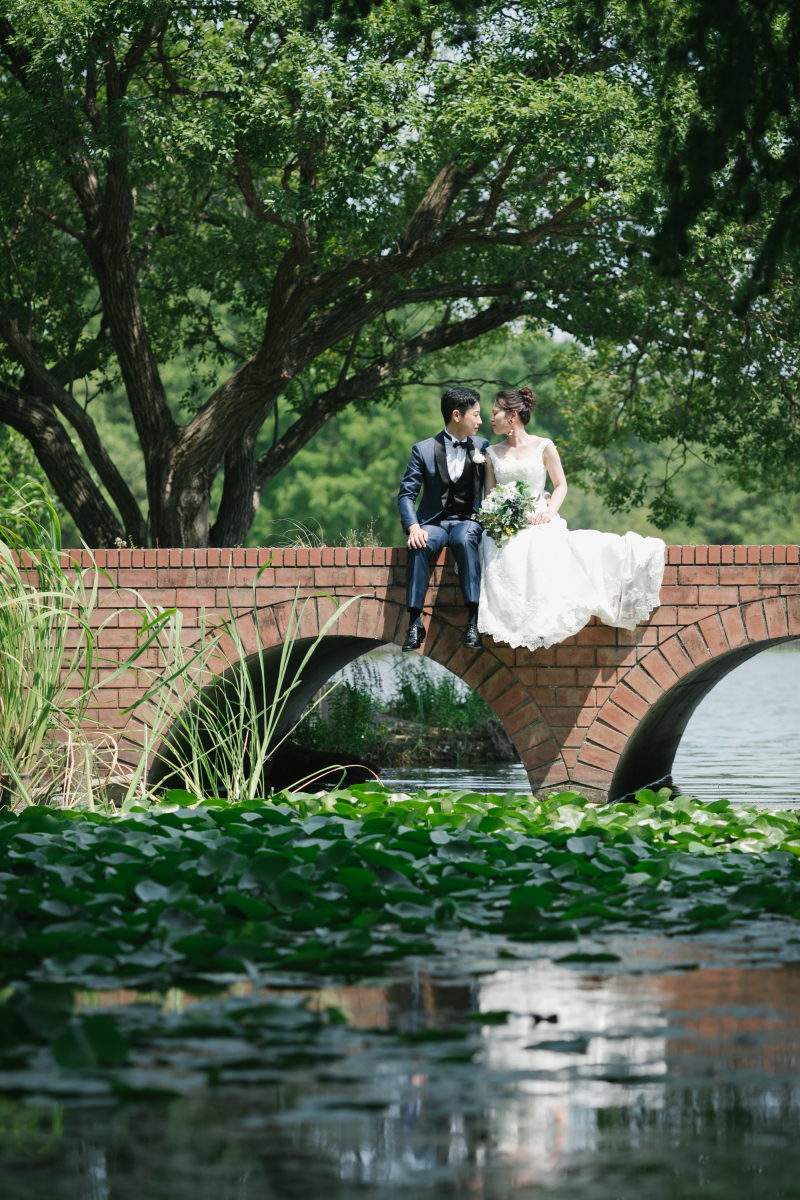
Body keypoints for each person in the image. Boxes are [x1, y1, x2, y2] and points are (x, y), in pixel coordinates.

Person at [479, 386, 665, 651]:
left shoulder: (544, 446)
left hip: (539, 518)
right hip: (507, 524)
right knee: (500, 545)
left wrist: (547, 512)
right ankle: (512, 622)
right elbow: (489, 497)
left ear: (511, 415)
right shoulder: (491, 454)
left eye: (495, 412)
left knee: (544, 543)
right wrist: (500, 518)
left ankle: (543, 621)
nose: (491, 418)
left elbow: (560, 485)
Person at [397, 386, 491, 651]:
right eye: (476, 414)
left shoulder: (482, 447)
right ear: (457, 415)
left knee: (464, 540)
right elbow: (406, 495)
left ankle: (473, 621)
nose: (480, 421)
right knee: (420, 543)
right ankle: (415, 623)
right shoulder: (423, 450)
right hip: (433, 523)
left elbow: (503, 477)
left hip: (468, 520)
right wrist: (413, 526)